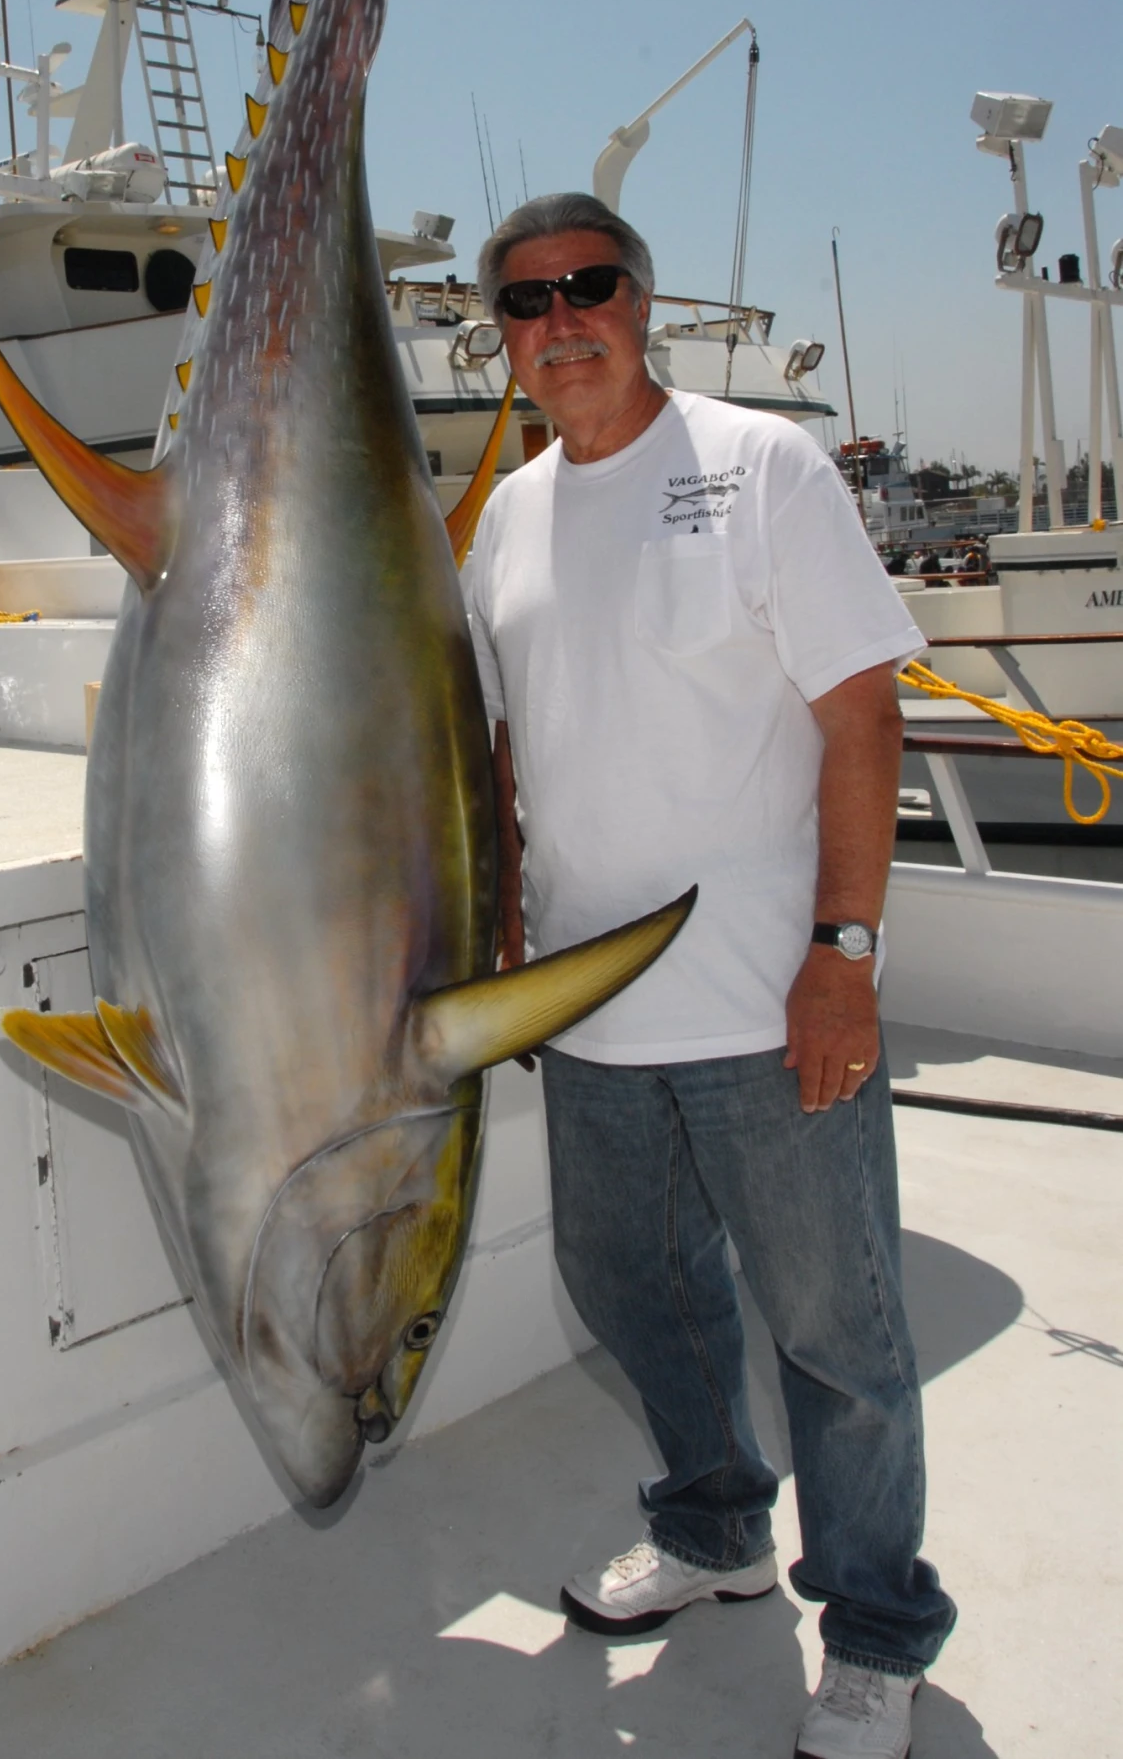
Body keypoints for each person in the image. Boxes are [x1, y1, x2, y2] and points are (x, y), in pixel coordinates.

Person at [464, 193, 955, 1759]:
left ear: (642, 299)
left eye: (587, 287)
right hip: (589, 1010)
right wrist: (499, 936)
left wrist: (844, 953)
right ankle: (711, 1527)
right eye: (528, 303)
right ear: (503, 339)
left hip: (769, 1001)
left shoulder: (762, 468)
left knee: (837, 1332)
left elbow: (861, 716)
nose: (562, 321)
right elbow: (501, 748)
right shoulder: (506, 517)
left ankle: (873, 1629)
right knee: (634, 1293)